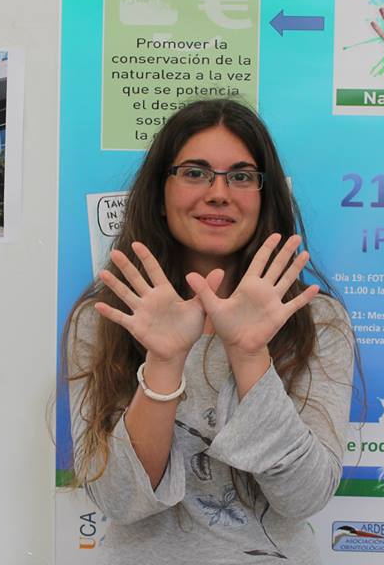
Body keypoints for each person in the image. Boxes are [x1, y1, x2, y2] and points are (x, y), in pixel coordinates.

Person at [64, 99, 360, 564]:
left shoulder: (313, 320)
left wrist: (249, 354)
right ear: (160, 193)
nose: (219, 193)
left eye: (241, 176)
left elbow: (304, 498)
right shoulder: (106, 318)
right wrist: (163, 362)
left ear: (264, 197)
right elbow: (118, 502)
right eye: (195, 172)